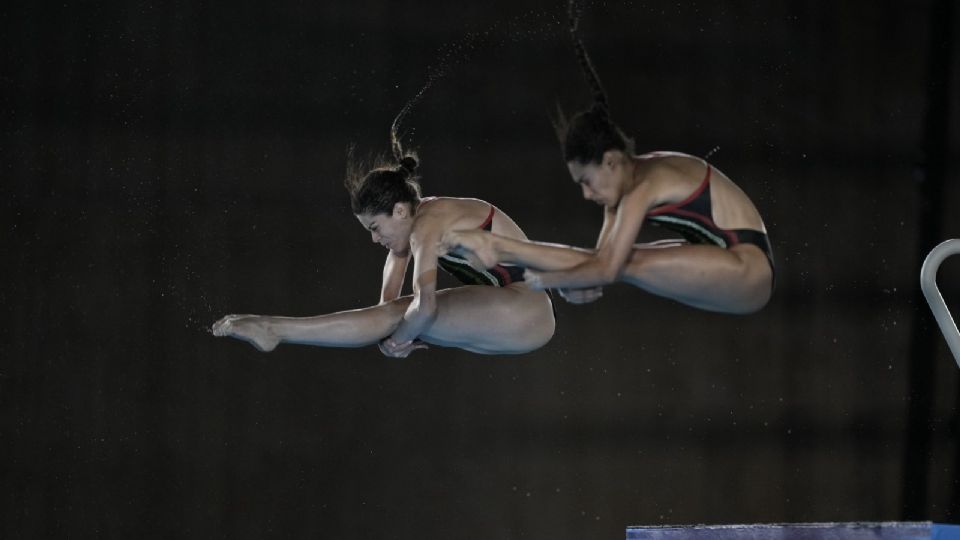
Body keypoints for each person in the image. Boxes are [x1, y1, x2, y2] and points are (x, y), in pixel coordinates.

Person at [441, 2, 774, 315]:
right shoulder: (620, 195)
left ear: (612, 161)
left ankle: (499, 246)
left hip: (748, 270)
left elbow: (609, 269)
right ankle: (498, 246)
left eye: (587, 181)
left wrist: (555, 279)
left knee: (628, 262)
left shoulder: (648, 182)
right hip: (723, 268)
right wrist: (580, 281)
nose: (586, 194)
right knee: (617, 259)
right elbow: (597, 265)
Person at [212, 122, 555, 358]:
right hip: (515, 317)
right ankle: (273, 328)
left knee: (406, 316)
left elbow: (425, 307)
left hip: (525, 311)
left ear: (401, 212)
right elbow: (382, 312)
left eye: (376, 228)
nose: (375, 240)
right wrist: (391, 337)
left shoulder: (427, 225)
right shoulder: (409, 232)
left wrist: (399, 339)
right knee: (396, 316)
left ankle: (274, 329)